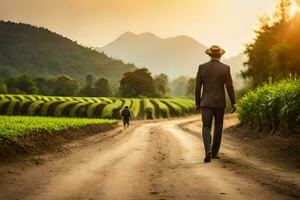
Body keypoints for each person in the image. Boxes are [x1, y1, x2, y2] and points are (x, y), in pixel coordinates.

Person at [195, 45, 236, 163]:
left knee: (206, 127)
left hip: (206, 103)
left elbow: (197, 88)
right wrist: (233, 102)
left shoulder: (202, 68)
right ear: (220, 55)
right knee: (218, 128)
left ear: (209, 54)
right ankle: (214, 153)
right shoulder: (225, 68)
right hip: (219, 103)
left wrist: (198, 102)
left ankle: (207, 150)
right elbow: (229, 86)